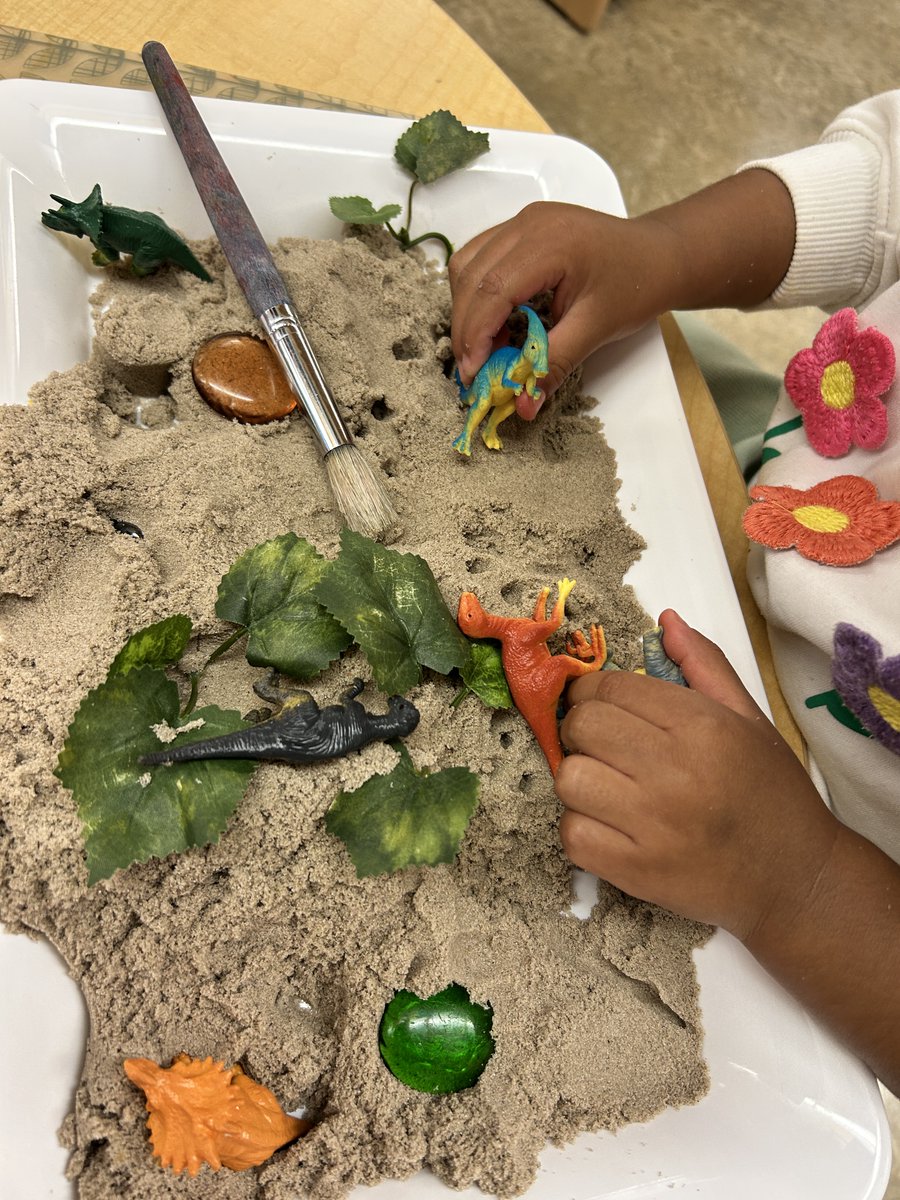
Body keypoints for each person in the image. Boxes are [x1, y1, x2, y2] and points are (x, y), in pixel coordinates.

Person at [449, 91, 900, 1095]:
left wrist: (805, 882)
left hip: (835, 869)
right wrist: (657, 250)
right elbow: (885, 185)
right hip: (788, 482)